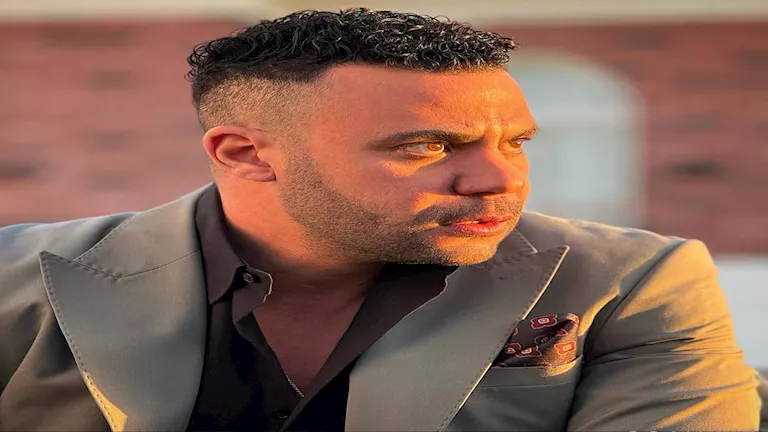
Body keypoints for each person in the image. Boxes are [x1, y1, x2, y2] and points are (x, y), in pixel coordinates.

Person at [0, 8, 761, 432]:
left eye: (516, 142)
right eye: (426, 146)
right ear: (246, 154)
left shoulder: (630, 281)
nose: (498, 178)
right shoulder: (16, 279)